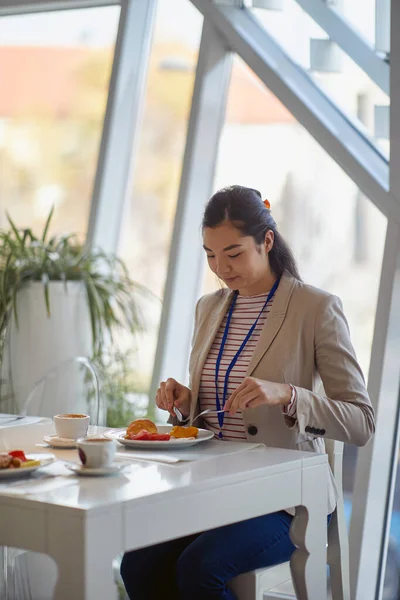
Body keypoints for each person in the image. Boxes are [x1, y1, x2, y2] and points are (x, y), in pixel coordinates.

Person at [120, 185, 375, 600]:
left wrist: (289, 395)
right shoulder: (210, 307)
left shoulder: (316, 307)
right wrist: (185, 403)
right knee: (139, 562)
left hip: (287, 500)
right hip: (215, 488)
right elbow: (214, 413)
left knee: (201, 567)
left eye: (234, 253)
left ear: (267, 241)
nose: (221, 267)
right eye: (210, 254)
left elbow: (361, 422)